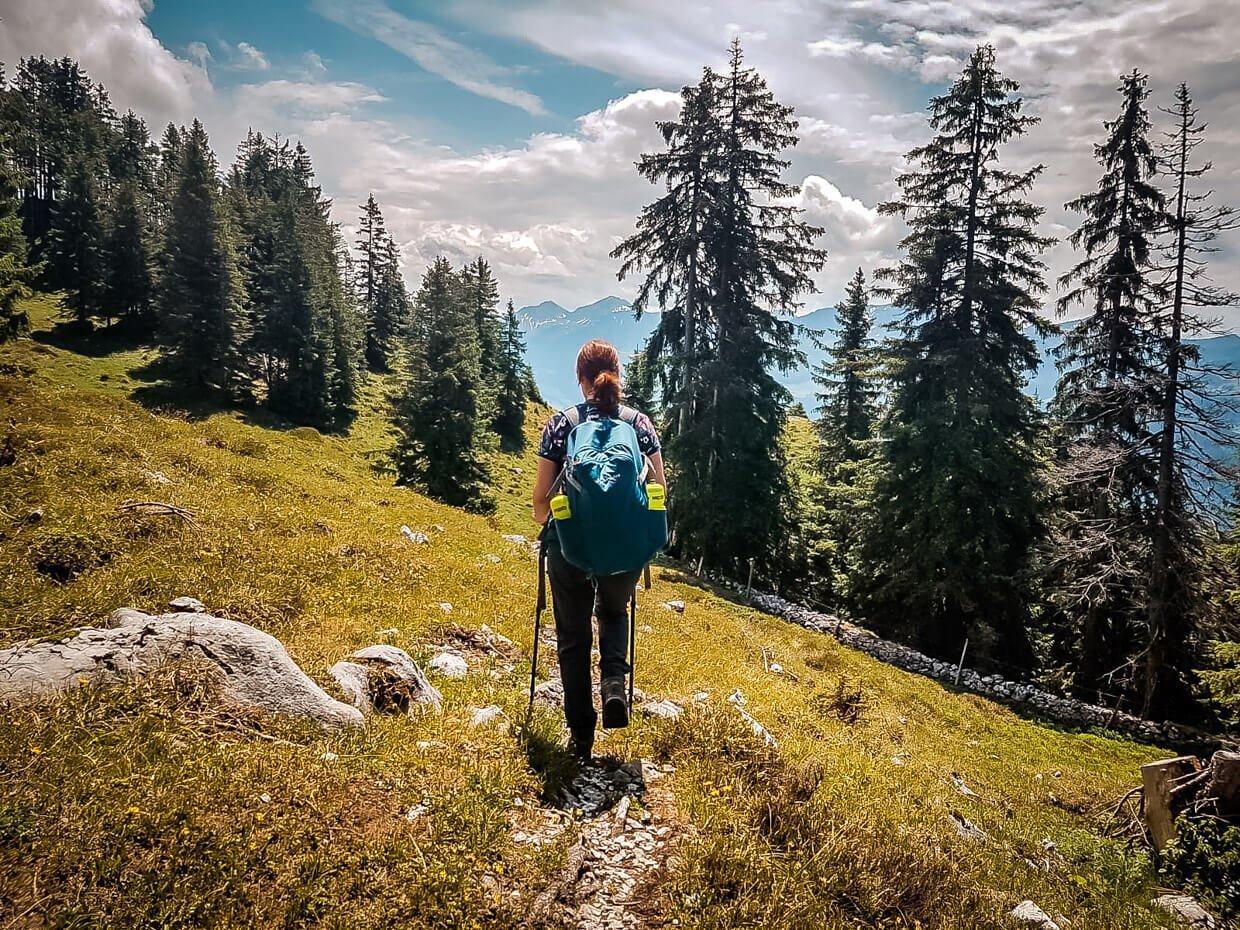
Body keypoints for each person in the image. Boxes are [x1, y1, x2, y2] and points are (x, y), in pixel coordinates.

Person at [532, 339, 666, 760]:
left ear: (580, 378)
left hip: (569, 547)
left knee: (572, 637)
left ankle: (581, 736)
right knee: (612, 612)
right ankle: (614, 684)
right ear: (617, 375)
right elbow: (660, 488)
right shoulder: (640, 425)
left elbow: (540, 505)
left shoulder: (561, 425)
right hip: (625, 548)